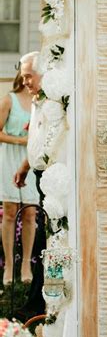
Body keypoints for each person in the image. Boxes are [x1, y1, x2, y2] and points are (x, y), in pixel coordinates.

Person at [13, 52, 47, 319]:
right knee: (43, 243)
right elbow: (36, 138)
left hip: (51, 177)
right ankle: (36, 301)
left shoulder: (53, 102)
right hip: (38, 174)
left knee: (45, 243)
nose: (24, 81)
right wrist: (25, 166)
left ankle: (38, 303)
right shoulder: (38, 99)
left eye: (28, 76)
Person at [0, 70, 39, 287]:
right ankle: (8, 264)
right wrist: (20, 141)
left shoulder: (39, 101)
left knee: (31, 212)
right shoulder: (9, 99)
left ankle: (26, 263)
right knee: (10, 212)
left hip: (31, 159)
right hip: (10, 157)